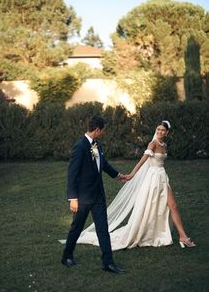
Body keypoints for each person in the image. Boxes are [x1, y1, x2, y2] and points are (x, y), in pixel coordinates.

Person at [76, 120, 196, 250]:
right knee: (150, 206)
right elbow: (142, 161)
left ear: (167, 132)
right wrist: (131, 175)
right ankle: (152, 232)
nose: (160, 131)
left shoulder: (164, 145)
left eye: (162, 130)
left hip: (162, 177)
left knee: (173, 205)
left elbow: (102, 162)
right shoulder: (152, 144)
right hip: (153, 178)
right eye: (158, 129)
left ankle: (182, 236)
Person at [61, 116, 126, 274]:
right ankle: (67, 256)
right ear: (97, 129)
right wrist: (73, 198)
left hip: (98, 196)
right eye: (103, 130)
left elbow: (102, 164)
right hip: (82, 198)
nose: (103, 133)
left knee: (103, 229)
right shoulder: (80, 146)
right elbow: (72, 174)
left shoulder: (98, 145)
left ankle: (108, 263)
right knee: (76, 228)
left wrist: (118, 175)